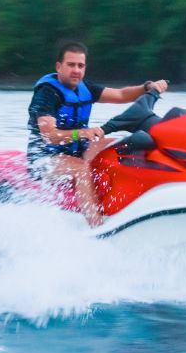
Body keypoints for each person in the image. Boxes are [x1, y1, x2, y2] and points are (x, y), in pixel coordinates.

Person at [27, 41, 168, 227]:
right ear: (58, 67)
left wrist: (147, 87)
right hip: (45, 158)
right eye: (71, 65)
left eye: (80, 65)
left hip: (77, 150)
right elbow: (49, 135)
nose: (76, 70)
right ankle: (97, 227)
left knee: (122, 145)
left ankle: (145, 198)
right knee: (81, 169)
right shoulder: (47, 93)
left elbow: (121, 95)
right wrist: (82, 134)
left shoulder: (85, 89)